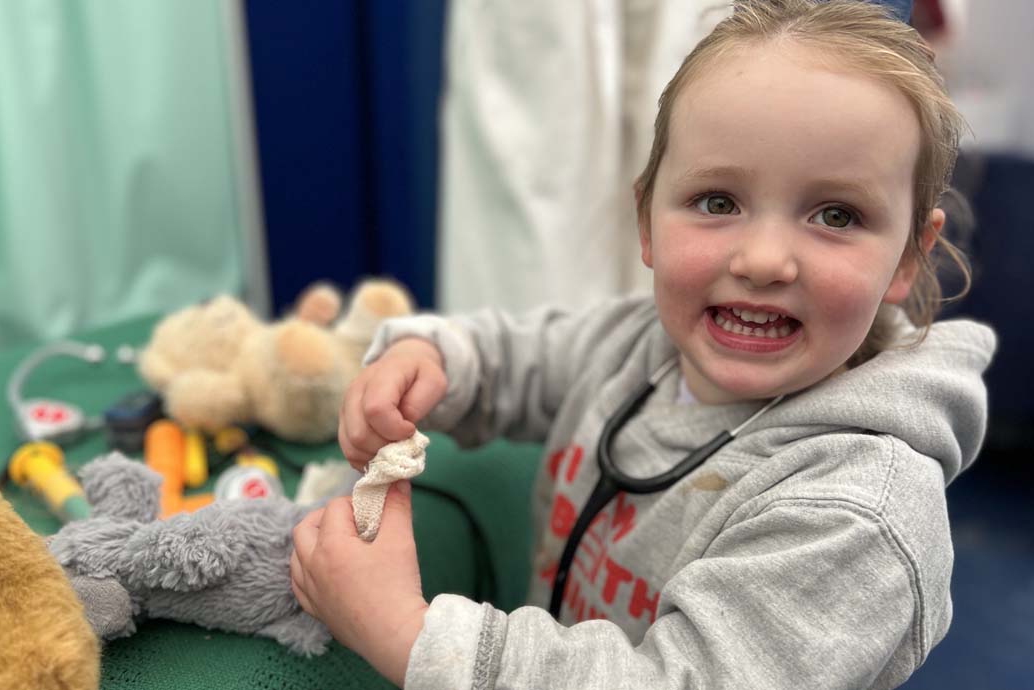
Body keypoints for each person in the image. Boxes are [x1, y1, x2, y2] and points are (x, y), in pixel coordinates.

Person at [289, 1, 996, 687]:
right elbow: (522, 356)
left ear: (908, 256)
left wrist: (406, 634)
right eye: (719, 202)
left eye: (836, 214)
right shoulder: (642, 343)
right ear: (647, 220)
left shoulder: (857, 513)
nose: (763, 260)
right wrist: (431, 360)